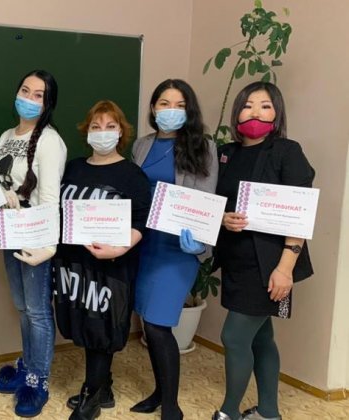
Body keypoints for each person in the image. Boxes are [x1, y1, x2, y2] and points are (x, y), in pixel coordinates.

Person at [211, 82, 314, 420]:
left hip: (269, 265)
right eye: (247, 105)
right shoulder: (226, 153)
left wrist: (285, 269)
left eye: (265, 106)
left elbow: (299, 214)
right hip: (236, 262)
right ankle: (269, 412)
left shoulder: (286, 151)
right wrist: (223, 218)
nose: (255, 112)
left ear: (277, 114)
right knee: (261, 338)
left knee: (233, 337)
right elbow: (217, 201)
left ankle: (228, 412)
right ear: (237, 112)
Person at [54, 100, 151, 420]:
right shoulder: (73, 167)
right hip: (73, 262)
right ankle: (103, 386)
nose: (103, 132)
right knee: (83, 322)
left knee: (101, 327)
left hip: (110, 265)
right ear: (87, 131)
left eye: (110, 126)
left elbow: (141, 220)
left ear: (121, 132)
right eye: (96, 126)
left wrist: (120, 248)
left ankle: (91, 396)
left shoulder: (132, 175)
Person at [130, 79, 218, 420]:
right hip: (143, 244)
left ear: (189, 110)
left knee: (158, 323)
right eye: (164, 104)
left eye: (179, 105)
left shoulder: (202, 146)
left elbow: (206, 200)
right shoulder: (142, 144)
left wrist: (201, 241)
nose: (171, 110)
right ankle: (159, 392)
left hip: (178, 249)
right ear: (154, 109)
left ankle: (172, 406)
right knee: (149, 323)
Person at [0, 69, 67, 417]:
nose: (30, 99)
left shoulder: (50, 141)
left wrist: (48, 247)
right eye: (25, 90)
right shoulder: (6, 135)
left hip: (36, 234)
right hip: (9, 231)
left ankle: (39, 380)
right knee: (22, 307)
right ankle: (27, 365)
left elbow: (49, 197)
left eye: (39, 95)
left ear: (48, 103)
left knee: (37, 311)